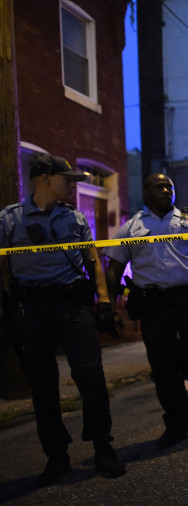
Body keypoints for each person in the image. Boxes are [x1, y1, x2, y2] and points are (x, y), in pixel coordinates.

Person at [0, 154, 125, 486]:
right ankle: (57, 457)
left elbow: (93, 262)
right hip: (33, 308)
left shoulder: (74, 219)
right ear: (44, 179)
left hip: (72, 306)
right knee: (43, 387)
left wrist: (102, 301)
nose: (72, 183)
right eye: (65, 178)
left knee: (91, 377)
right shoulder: (10, 220)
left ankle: (102, 447)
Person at [103, 174, 188, 447]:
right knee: (163, 366)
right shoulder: (133, 226)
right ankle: (176, 425)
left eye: (170, 187)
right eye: (159, 187)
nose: (166, 191)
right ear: (146, 192)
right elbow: (114, 269)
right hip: (153, 304)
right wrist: (111, 308)